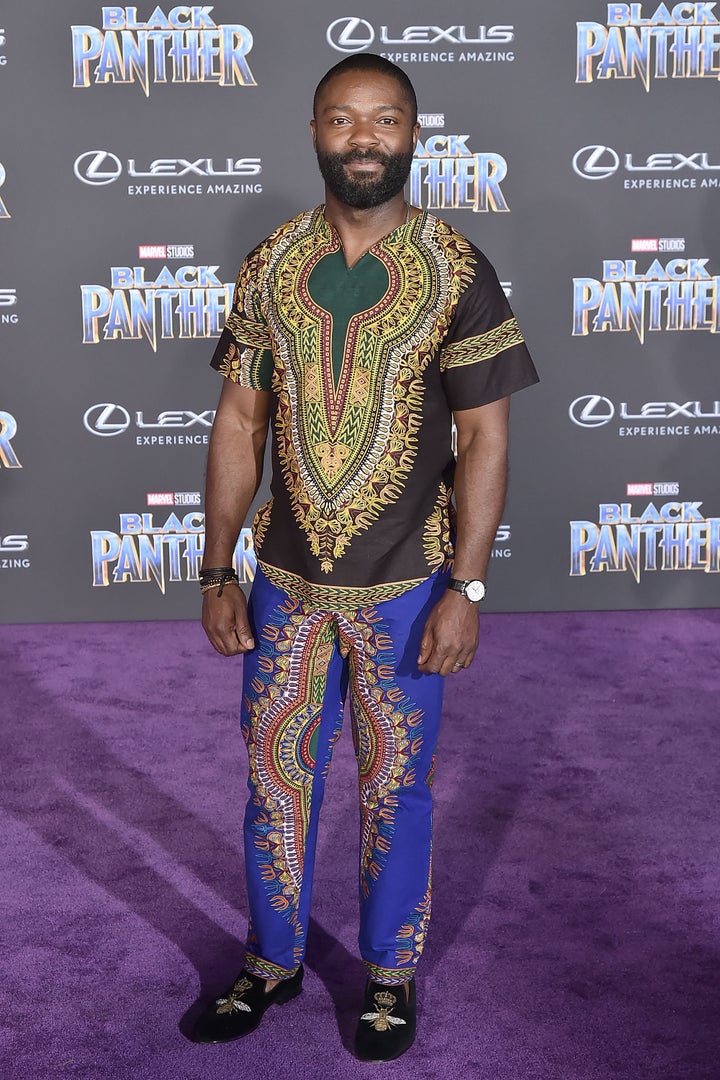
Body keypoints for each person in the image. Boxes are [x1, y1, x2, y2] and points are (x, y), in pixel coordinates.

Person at [193, 53, 538, 1062]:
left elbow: (488, 441)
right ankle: (271, 960)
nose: (363, 138)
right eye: (344, 119)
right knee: (274, 779)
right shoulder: (270, 261)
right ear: (313, 132)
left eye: (385, 120)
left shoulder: (458, 266)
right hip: (287, 586)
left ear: (414, 136)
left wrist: (466, 588)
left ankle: (389, 979)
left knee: (398, 786)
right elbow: (238, 421)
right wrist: (218, 570)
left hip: (406, 582)